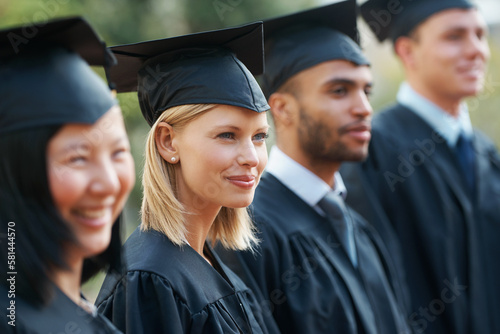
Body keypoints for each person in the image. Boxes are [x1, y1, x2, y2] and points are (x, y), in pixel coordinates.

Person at [216, 1, 412, 333]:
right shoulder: (247, 231)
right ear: (282, 108)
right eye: (339, 91)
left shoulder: (357, 227)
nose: (364, 108)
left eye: (366, 90)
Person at [95, 22, 280, 334]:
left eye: (260, 136)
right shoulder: (150, 280)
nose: (252, 157)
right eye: (227, 135)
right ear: (168, 142)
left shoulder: (207, 260)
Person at [340, 0, 499, 332]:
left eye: (480, 35)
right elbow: (377, 285)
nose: (476, 51)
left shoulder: (486, 153)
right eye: (454, 36)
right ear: (408, 51)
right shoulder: (373, 150)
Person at [0, 17, 135, 333]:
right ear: (13, 172)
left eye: (118, 153)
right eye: (77, 158)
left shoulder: (83, 313)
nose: (109, 184)